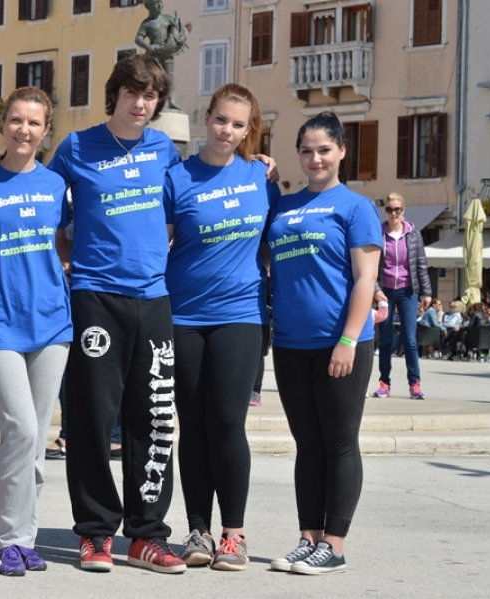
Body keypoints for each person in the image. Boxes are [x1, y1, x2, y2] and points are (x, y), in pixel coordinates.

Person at [48, 55, 185, 574]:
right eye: (132, 92)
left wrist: (260, 167)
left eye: (150, 95)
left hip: (153, 301)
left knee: (153, 420)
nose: (141, 103)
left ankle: (147, 534)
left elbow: (187, 203)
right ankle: (96, 532)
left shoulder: (164, 149)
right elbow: (42, 202)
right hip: (95, 297)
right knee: (91, 418)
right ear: (115, 94)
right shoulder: (76, 148)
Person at [163, 83, 280, 571]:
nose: (227, 131)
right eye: (220, 120)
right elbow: (155, 244)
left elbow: (280, 243)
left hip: (241, 316)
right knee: (192, 426)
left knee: (228, 423)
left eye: (238, 124)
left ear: (248, 129)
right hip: (184, 316)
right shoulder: (177, 178)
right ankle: (198, 530)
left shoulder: (260, 175)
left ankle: (234, 533)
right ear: (204, 118)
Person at [266, 112, 381, 575]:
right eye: (307, 151)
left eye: (324, 150)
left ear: (341, 153)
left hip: (340, 342)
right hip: (290, 344)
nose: (315, 159)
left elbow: (365, 279)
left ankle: (334, 543)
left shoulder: (356, 208)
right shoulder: (285, 207)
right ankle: (307, 537)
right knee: (306, 444)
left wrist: (348, 340)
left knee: (338, 442)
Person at [0, 87, 72, 576]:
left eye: (34, 123)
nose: (23, 130)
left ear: (46, 130)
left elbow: (65, 246)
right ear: (2, 124)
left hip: (52, 324)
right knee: (22, 430)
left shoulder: (56, 185)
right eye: (15, 120)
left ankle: (26, 538)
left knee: (38, 436)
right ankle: (8, 539)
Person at [373, 191, 432, 399]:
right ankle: (384, 383)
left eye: (397, 209)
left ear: (403, 210)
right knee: (385, 339)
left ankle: (414, 384)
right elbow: (371, 265)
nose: (393, 213)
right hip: (385, 291)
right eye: (389, 209)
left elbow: (421, 265)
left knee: (409, 338)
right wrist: (376, 289)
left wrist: (426, 292)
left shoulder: (414, 234)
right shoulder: (378, 233)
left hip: (408, 290)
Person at [134, 0, 188, 110]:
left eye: (160, 2)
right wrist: (148, 46)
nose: (160, 5)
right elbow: (138, 38)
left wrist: (180, 37)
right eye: (156, 3)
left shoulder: (168, 19)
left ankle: (172, 101)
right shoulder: (147, 23)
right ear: (149, 6)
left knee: (169, 77)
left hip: (167, 53)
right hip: (153, 54)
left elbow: (176, 33)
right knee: (154, 79)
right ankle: (155, 103)